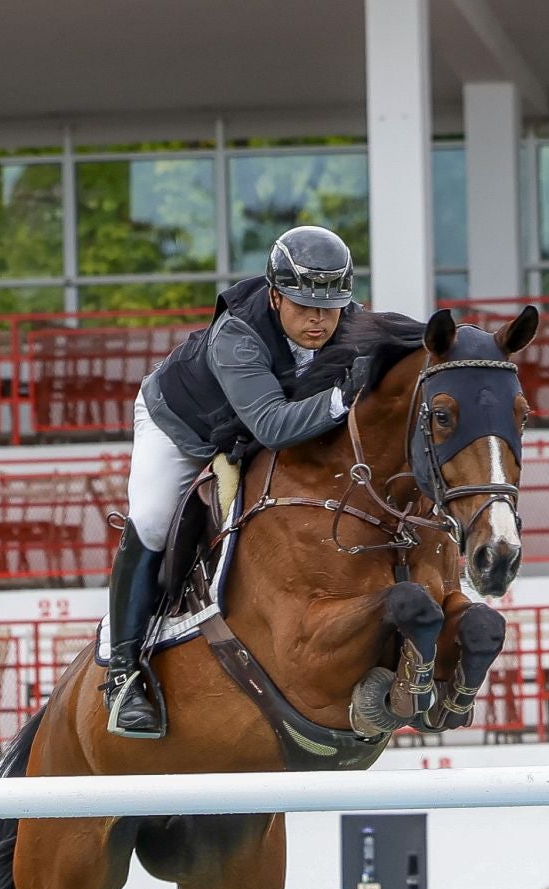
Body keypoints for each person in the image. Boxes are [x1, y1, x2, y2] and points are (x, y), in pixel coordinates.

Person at [108, 226, 366, 738]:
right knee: (154, 522)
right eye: (303, 306)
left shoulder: (349, 321)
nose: (319, 321)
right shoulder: (238, 333)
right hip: (183, 426)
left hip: (249, 432)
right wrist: (342, 398)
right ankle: (122, 674)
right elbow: (272, 424)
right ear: (275, 296)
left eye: (330, 308)